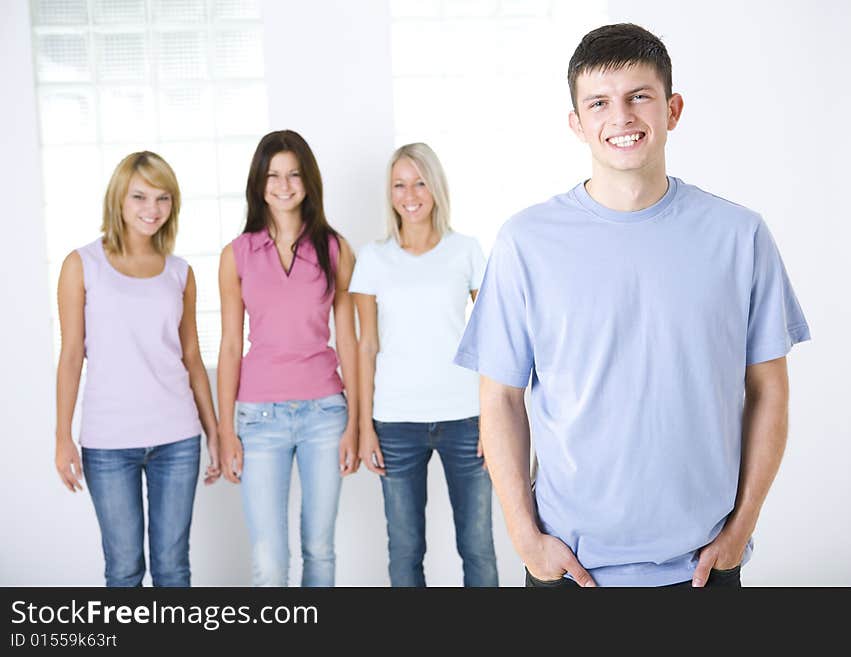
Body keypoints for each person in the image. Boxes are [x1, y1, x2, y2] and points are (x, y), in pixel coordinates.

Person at [454, 23, 810, 587]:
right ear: (576, 123)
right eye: (599, 102)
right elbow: (499, 397)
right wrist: (526, 540)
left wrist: (741, 528)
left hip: (703, 565)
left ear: (673, 109)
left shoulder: (740, 236)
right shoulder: (526, 241)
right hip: (568, 569)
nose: (620, 117)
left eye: (638, 96)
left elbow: (770, 389)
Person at [54, 151, 220, 587]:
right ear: (119, 200)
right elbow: (71, 355)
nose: (152, 209)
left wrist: (216, 432)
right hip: (108, 443)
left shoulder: (180, 273)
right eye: (140, 197)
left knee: (173, 569)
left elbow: (192, 359)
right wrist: (62, 436)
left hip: (177, 438)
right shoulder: (82, 265)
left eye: (163, 198)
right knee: (124, 570)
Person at [351, 143, 498, 587]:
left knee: (476, 547)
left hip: (465, 419)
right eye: (399, 184)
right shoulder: (373, 258)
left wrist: (494, 420)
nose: (409, 194)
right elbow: (366, 347)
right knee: (405, 550)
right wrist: (364, 429)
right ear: (389, 192)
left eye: (419, 182)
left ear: (435, 188)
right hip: (395, 422)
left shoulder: (466, 251)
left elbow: (494, 339)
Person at [217, 130, 359, 587]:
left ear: (308, 181)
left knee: (319, 549)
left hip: (325, 414)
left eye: (294, 174)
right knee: (269, 560)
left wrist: (356, 421)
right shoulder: (236, 254)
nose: (283, 185)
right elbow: (228, 345)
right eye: (273, 175)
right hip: (258, 418)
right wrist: (225, 431)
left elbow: (349, 340)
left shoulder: (335, 249)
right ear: (259, 183)